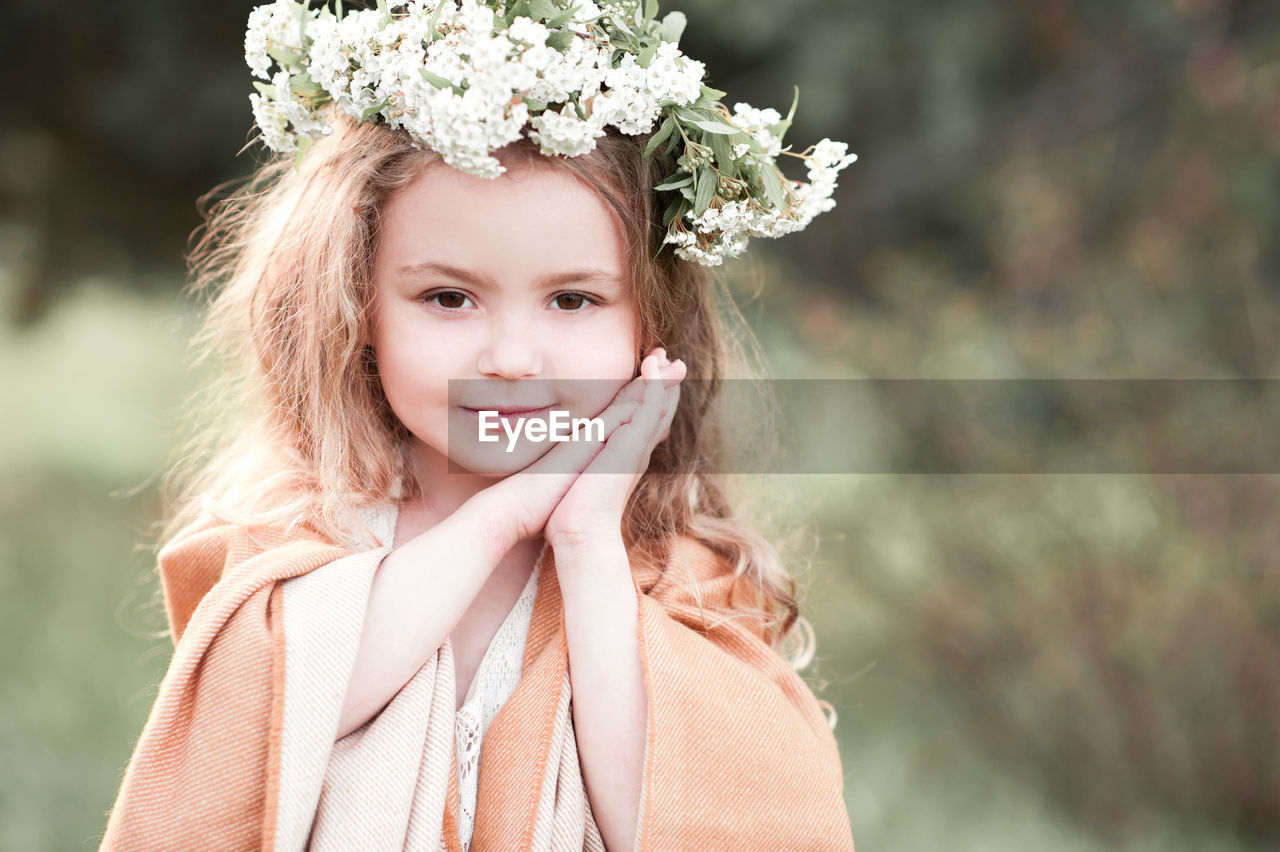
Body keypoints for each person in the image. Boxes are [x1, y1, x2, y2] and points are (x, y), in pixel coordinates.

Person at [101, 2, 858, 849]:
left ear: (650, 329)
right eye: (448, 298)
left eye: (573, 300)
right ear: (354, 311)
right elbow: (278, 715)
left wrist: (583, 540)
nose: (512, 358)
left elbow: (670, 815)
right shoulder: (294, 530)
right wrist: (506, 511)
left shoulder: (677, 573)